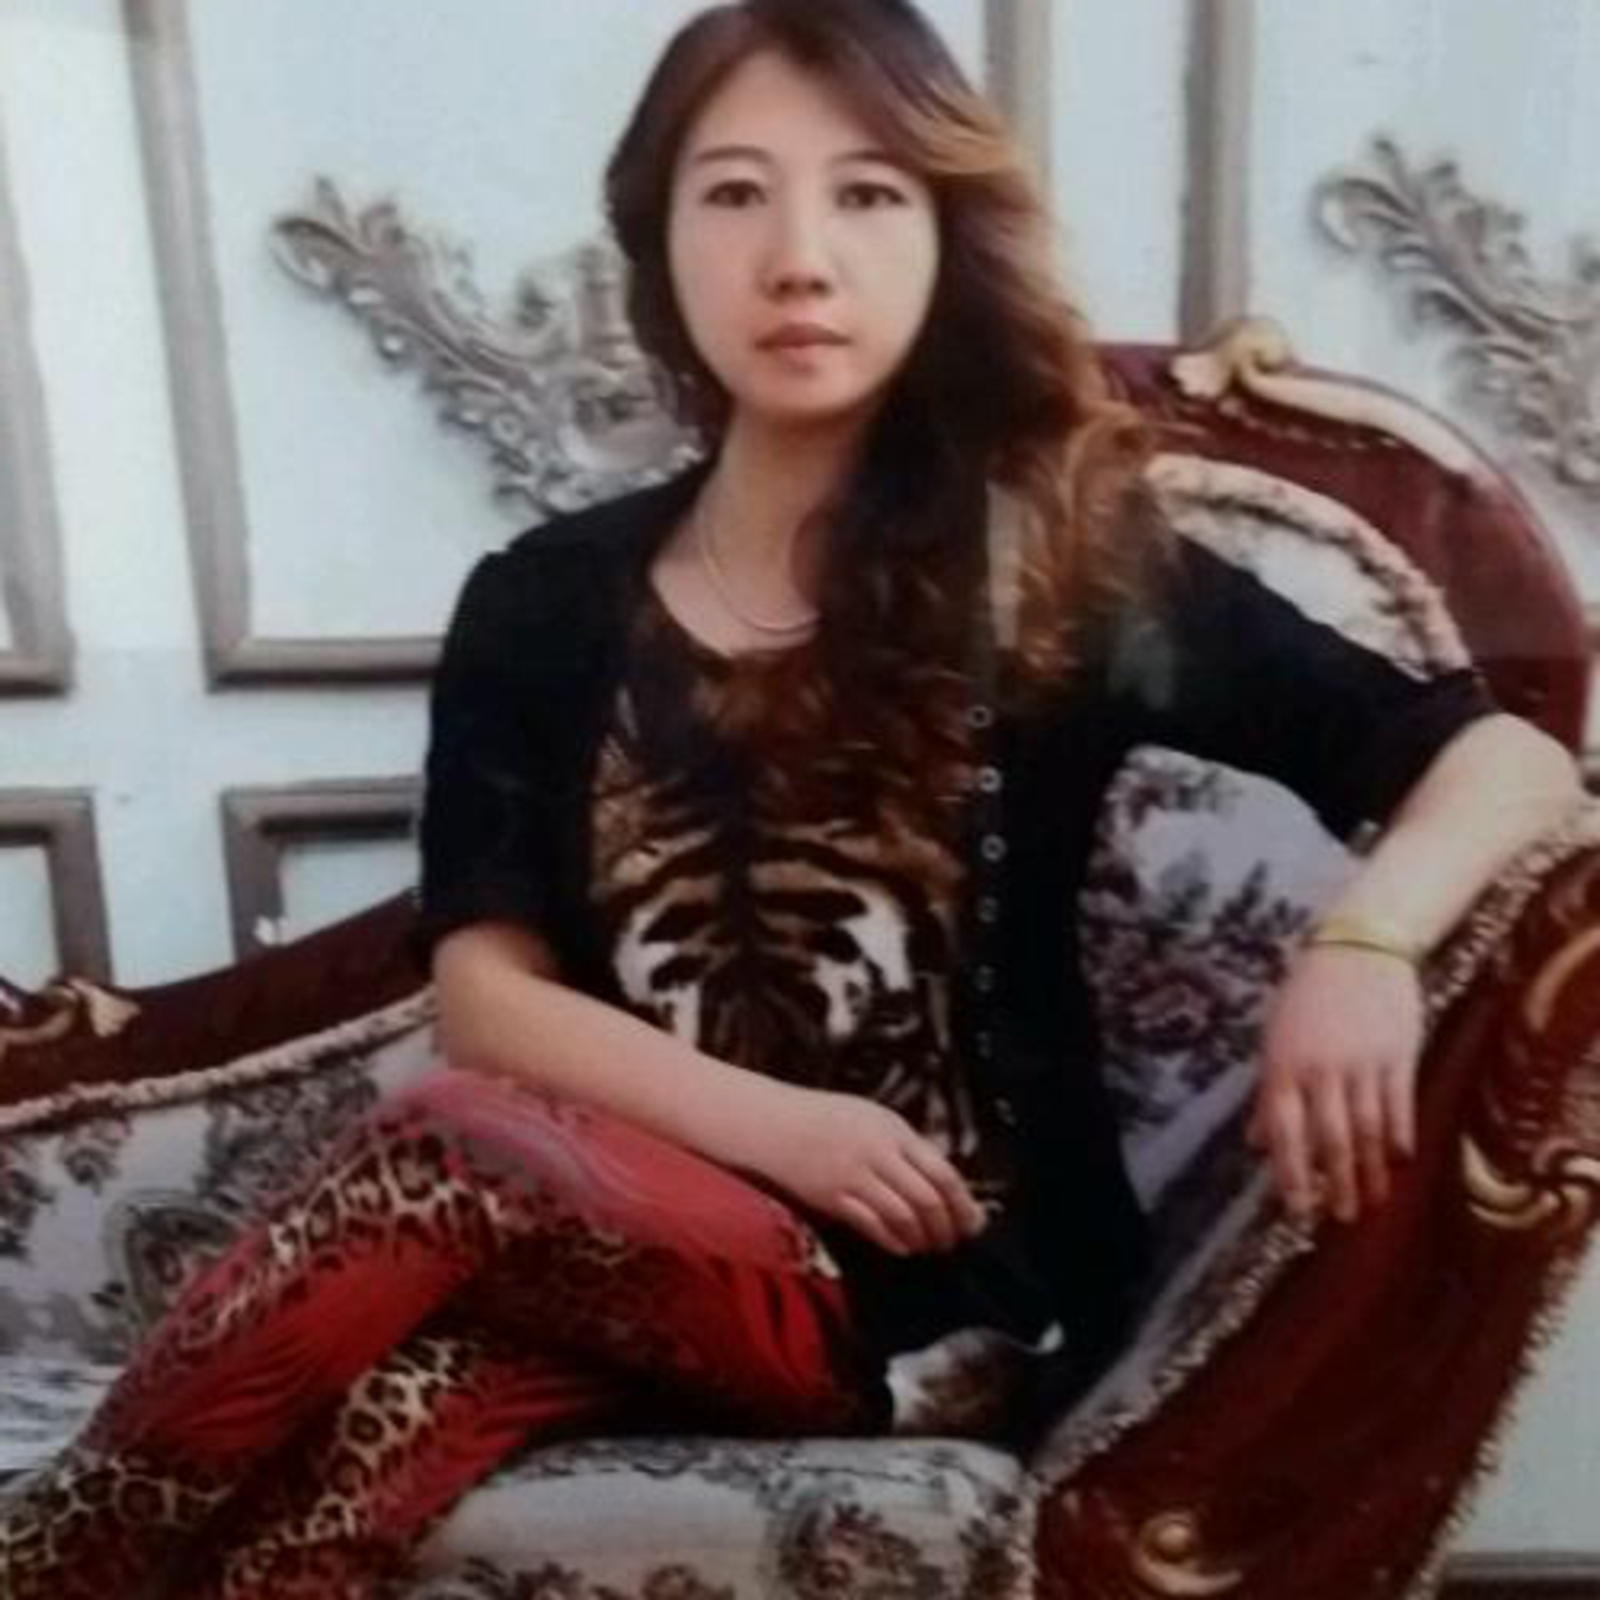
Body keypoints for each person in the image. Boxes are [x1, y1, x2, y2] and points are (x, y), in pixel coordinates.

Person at [0, 1, 1582, 1595]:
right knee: (356, 1454)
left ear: (946, 239)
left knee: (447, 1150)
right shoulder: (544, 602)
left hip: (938, 1288)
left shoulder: (1059, 573)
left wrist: (1365, 947)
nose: (799, 258)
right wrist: (789, 1131)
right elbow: (488, 999)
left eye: (868, 194)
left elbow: (1502, 757)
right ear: (660, 244)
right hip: (612, 1259)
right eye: (736, 193)